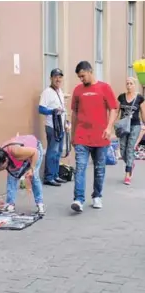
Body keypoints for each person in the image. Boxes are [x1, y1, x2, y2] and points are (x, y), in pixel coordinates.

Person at [70, 61, 118, 212]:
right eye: (79, 77)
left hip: (100, 137)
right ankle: (78, 199)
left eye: (83, 76)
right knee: (80, 168)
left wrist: (109, 128)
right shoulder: (77, 90)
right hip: (82, 137)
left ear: (90, 71)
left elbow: (113, 109)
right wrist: (72, 135)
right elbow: (74, 113)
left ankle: (97, 196)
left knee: (99, 169)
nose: (81, 79)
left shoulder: (104, 88)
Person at [0, 134, 45, 215]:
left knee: (34, 176)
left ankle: (40, 204)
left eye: (0, 167)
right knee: (12, 176)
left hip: (34, 151)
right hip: (18, 158)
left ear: (5, 160)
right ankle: (10, 204)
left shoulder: (15, 151)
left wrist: (31, 169)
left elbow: (35, 152)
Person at [38, 68, 69, 186]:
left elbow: (62, 109)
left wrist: (66, 122)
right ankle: (49, 177)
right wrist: (53, 111)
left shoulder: (60, 91)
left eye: (60, 77)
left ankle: (55, 175)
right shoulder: (47, 92)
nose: (58, 79)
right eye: (55, 76)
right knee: (52, 151)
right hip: (52, 126)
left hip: (60, 126)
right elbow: (41, 109)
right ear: (51, 78)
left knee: (58, 151)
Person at [117, 77, 145, 185]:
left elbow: (143, 112)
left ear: (135, 85)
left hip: (135, 125)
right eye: (127, 83)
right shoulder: (121, 97)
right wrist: (111, 125)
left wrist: (144, 125)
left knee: (130, 148)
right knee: (123, 149)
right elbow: (116, 111)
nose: (129, 85)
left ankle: (127, 174)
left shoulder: (139, 98)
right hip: (123, 126)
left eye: (131, 83)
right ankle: (130, 163)